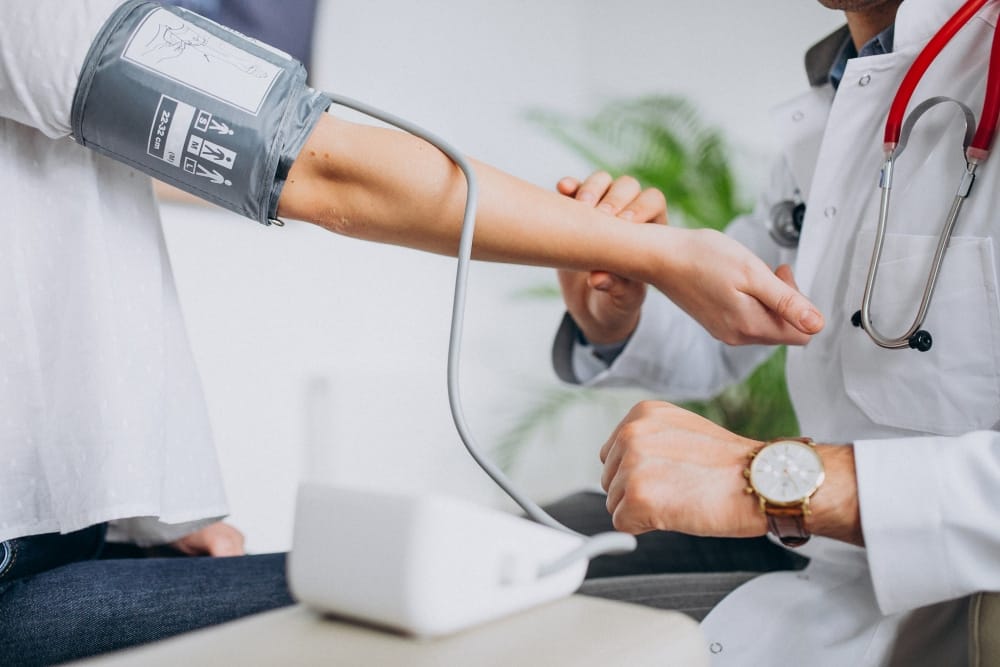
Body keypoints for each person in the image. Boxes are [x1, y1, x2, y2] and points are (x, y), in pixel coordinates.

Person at [0, 1, 823, 664]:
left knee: (531, 556)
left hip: (57, 542)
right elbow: (322, 164)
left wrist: (124, 524)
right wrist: (655, 249)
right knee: (477, 602)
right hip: (20, 572)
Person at [548, 0, 1000, 664]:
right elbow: (742, 318)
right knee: (505, 547)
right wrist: (617, 316)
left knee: (523, 631)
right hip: (811, 541)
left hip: (941, 583)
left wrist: (775, 478)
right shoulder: (848, 89)